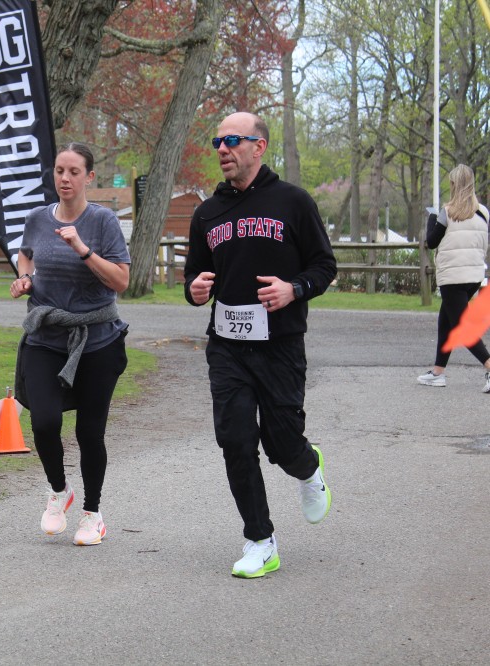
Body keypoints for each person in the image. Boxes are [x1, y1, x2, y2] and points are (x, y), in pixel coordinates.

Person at [183, 112, 337, 578]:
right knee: (235, 440)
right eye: (218, 142)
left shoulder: (293, 201)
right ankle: (260, 540)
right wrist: (194, 289)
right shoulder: (207, 212)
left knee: (282, 444)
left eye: (232, 140)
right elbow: (194, 274)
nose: (222, 149)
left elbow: (324, 266)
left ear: (259, 146)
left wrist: (294, 289)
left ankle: (307, 467)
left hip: (280, 345)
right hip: (226, 346)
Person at [9, 142, 130, 547]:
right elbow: (26, 255)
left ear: (89, 177)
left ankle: (93, 514)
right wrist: (25, 279)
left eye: (74, 172)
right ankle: (59, 490)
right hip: (45, 337)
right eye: (60, 170)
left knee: (89, 432)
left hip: (96, 340)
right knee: (43, 422)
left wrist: (83, 249)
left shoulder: (103, 221)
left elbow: (121, 280)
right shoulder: (37, 218)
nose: (65, 178)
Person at [417, 164, 490, 392]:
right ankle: (438, 372)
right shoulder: (484, 212)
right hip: (474, 275)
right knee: (446, 322)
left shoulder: (446, 212)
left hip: (452, 277)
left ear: (453, 185)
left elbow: (431, 241)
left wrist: (431, 218)